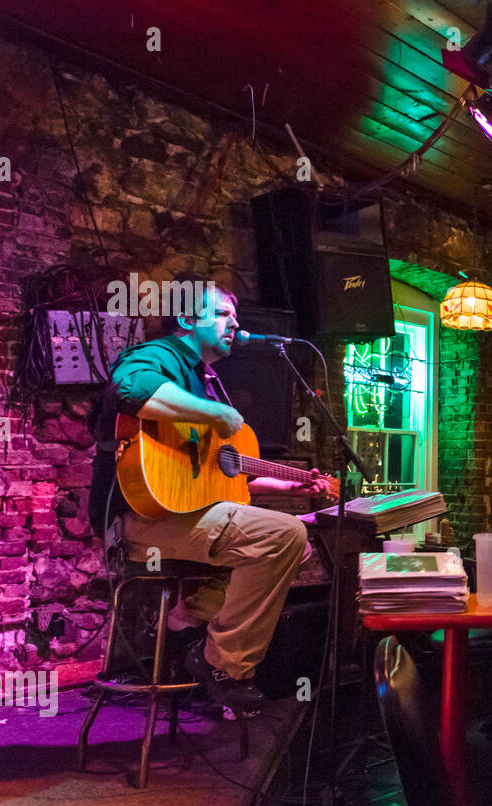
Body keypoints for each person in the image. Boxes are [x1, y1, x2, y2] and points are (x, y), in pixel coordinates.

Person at [89, 281, 336, 716]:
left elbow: (218, 481)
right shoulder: (160, 356)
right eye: (222, 314)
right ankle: (222, 663)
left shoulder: (206, 382)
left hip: (184, 514)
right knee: (285, 537)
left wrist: (287, 484)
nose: (234, 324)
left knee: (288, 548)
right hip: (140, 520)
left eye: (235, 317)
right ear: (186, 319)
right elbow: (130, 388)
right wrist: (215, 413)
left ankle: (188, 616)